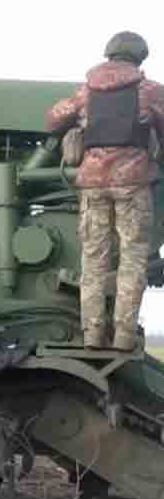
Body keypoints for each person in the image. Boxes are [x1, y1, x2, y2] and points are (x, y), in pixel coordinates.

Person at [46, 31, 164, 351]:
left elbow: (52, 119)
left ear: (110, 54)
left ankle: (93, 335)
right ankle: (124, 336)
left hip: (93, 184)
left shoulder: (86, 91)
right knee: (132, 259)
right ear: (139, 57)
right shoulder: (149, 91)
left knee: (94, 261)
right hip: (133, 183)